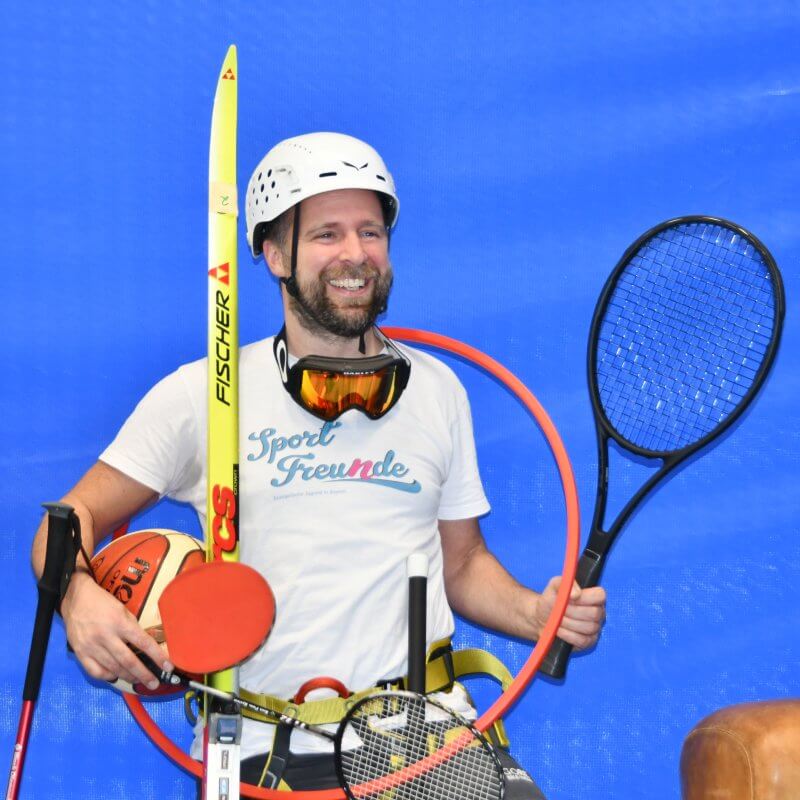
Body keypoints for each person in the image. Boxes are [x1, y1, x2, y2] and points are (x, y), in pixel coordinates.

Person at [31, 132, 606, 797]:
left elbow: (463, 566)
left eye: (370, 231)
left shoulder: (438, 389)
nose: (356, 254)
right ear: (275, 255)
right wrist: (77, 597)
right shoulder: (206, 393)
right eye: (327, 234)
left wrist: (535, 614)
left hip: (425, 736)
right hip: (257, 751)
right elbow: (65, 524)